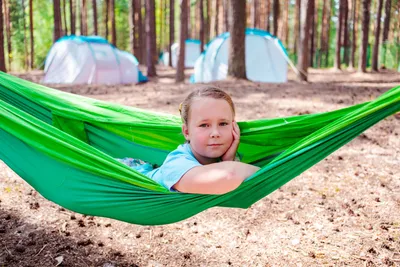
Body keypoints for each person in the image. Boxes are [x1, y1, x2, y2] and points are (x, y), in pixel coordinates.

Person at [121, 87, 260, 194]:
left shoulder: (226, 156)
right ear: (187, 132)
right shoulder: (176, 164)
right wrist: (266, 172)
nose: (215, 133)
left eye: (223, 124)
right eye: (204, 125)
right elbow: (229, 175)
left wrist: (228, 159)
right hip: (122, 176)